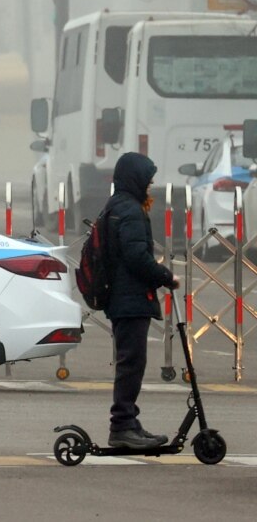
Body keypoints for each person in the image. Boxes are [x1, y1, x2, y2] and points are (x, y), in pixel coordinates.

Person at [103, 152, 180, 449]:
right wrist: (165, 276)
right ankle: (122, 425)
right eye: (147, 181)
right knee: (131, 363)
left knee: (131, 362)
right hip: (130, 298)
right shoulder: (130, 211)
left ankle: (129, 422)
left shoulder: (117, 205)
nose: (149, 187)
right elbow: (136, 256)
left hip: (123, 297)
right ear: (135, 179)